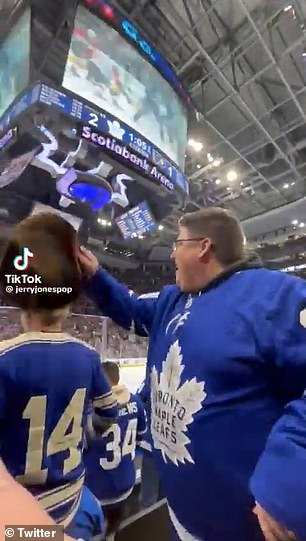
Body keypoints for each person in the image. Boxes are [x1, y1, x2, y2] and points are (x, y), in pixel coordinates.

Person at [77, 207, 306, 541]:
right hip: (183, 519)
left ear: (203, 247)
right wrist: (95, 277)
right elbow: (131, 309)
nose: (172, 253)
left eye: (178, 243)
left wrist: (287, 474)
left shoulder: (279, 296)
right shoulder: (173, 300)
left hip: (247, 531)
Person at [0, 213, 118, 538]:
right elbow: (110, 411)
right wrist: (82, 437)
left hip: (21, 516)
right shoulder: (88, 356)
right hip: (76, 504)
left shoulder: (5, 360)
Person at [84, 361, 147, 538]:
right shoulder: (136, 402)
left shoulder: (91, 410)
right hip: (125, 483)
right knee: (113, 531)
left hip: (96, 489)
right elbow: (140, 436)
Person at [137, 379, 161, 510]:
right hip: (175, 447)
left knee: (148, 498)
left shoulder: (153, 376)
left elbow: (138, 400)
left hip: (153, 444)